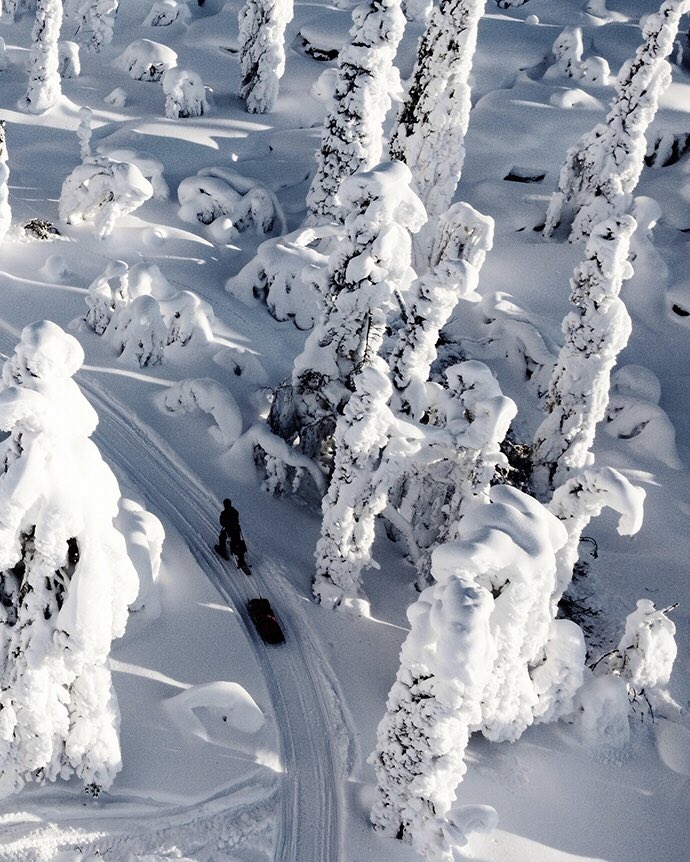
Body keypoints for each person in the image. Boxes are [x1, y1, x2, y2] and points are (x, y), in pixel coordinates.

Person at [215, 499, 251, 574]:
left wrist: (227, 524)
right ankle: (241, 559)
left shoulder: (224, 513)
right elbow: (237, 519)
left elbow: (222, 523)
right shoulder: (235, 511)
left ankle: (222, 550)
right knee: (238, 541)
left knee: (222, 537)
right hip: (236, 530)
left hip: (229, 530)